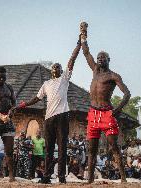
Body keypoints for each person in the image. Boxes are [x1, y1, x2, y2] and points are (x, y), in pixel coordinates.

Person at [14, 34, 82, 184]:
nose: (56, 68)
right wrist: (22, 105)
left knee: (62, 147)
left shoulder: (64, 79)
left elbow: (72, 61)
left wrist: (78, 44)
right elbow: (36, 98)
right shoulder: (46, 83)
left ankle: (62, 177)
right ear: (51, 71)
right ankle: (46, 176)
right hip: (49, 118)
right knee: (49, 148)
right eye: (54, 67)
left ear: (61, 70)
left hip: (62, 116)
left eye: (58, 66)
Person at [80, 22, 130, 183]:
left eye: (103, 57)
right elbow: (86, 53)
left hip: (107, 114)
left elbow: (127, 93)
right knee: (91, 149)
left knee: (113, 147)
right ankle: (89, 181)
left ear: (109, 60)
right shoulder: (94, 70)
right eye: (99, 57)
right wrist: (83, 34)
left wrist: (118, 109)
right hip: (93, 114)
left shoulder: (113, 76)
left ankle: (123, 178)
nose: (100, 59)